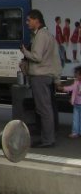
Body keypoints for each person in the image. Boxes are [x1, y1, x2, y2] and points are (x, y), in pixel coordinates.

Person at [21, 9, 62, 148]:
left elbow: (37, 57)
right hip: (47, 77)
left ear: (36, 21)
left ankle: (47, 140)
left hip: (40, 77)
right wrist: (57, 79)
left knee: (43, 109)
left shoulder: (40, 36)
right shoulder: (49, 35)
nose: (27, 23)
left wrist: (24, 51)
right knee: (47, 108)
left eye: (29, 20)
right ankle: (48, 137)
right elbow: (56, 59)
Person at [59, 65, 81, 138]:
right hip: (76, 105)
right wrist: (63, 88)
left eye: (77, 74)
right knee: (75, 119)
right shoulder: (76, 82)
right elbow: (71, 88)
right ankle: (75, 132)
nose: (75, 75)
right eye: (75, 73)